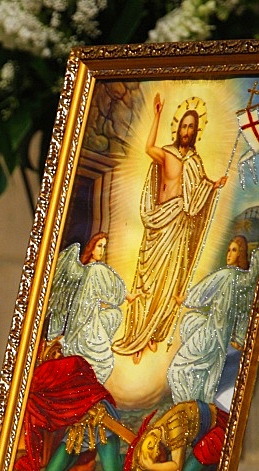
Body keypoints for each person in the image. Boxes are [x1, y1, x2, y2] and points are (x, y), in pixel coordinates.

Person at [113, 93, 228, 363]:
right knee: (148, 279)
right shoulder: (167, 153)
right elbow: (147, 147)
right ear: (178, 128)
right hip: (159, 221)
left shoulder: (195, 162)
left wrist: (213, 186)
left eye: (191, 127)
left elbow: (197, 193)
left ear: (196, 131)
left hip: (178, 225)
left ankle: (153, 334)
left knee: (168, 280)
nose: (186, 131)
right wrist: (156, 114)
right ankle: (136, 335)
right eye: (183, 126)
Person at [167, 235, 259, 404]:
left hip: (210, 333)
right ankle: (196, 409)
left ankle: (184, 406)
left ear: (240, 254)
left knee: (177, 369)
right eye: (228, 250)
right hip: (221, 339)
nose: (229, 254)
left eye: (234, 250)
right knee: (205, 376)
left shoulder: (226, 274)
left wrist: (185, 300)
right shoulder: (242, 281)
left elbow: (202, 293)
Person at [46, 231, 126, 383]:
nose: (102, 250)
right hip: (82, 321)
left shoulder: (90, 270)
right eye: (99, 246)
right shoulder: (93, 270)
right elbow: (113, 292)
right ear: (91, 247)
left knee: (113, 315)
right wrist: (126, 296)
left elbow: (100, 296)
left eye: (104, 247)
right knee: (104, 360)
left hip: (88, 317)